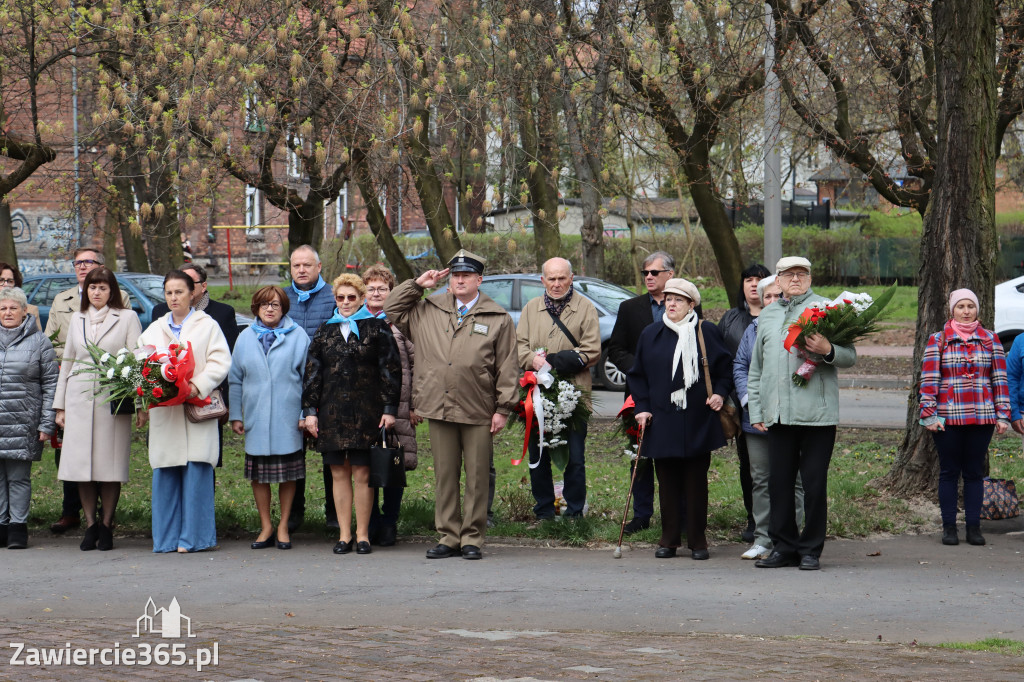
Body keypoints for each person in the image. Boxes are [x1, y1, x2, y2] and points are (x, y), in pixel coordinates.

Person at [384, 249, 518, 560]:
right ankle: (448, 535)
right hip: (438, 404)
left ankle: (472, 537)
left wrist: (503, 409)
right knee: (445, 474)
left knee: (477, 475)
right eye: (455, 275)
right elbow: (390, 309)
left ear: (479, 280)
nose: (460, 279)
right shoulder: (426, 309)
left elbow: (508, 367)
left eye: (466, 275)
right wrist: (418, 285)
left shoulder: (497, 317)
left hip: (478, 407)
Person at [748, 257, 857, 571]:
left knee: (813, 484)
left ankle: (810, 549)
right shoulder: (767, 315)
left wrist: (828, 349)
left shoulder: (828, 309)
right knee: (778, 484)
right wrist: (757, 409)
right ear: (777, 281)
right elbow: (757, 369)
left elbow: (849, 356)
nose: (795, 279)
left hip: (817, 415)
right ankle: (784, 548)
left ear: (810, 278)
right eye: (788, 274)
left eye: (801, 274)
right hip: (778, 415)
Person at [627, 278, 731, 560]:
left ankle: (698, 541)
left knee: (696, 482)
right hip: (662, 420)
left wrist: (720, 394)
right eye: (668, 299)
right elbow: (638, 376)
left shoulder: (705, 331)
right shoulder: (651, 333)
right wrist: (642, 408)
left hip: (699, 419)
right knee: (668, 481)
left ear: (691, 305)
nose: (671, 304)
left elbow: (724, 370)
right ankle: (669, 539)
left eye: (678, 300)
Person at [303, 274, 400, 556]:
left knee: (362, 472)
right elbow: (312, 373)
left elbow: (391, 370)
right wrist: (310, 412)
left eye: (351, 297)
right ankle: (344, 534)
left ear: (361, 298)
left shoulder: (377, 328)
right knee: (338, 473)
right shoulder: (325, 330)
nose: (345, 303)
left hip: (366, 411)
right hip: (332, 411)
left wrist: (389, 409)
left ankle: (362, 534)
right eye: (340, 298)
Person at [138, 270, 231, 553]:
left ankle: (195, 538)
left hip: (195, 408)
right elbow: (141, 361)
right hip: (166, 413)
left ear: (193, 293)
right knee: (166, 472)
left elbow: (220, 361)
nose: (174, 297)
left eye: (179, 292)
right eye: (169, 292)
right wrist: (156, 384)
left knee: (196, 472)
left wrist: (196, 385)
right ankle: (166, 539)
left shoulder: (207, 325)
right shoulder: (154, 329)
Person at [52, 267, 143, 551]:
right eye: (92, 288)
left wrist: (141, 404)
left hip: (112, 398)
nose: (97, 292)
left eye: (103, 288)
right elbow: (67, 361)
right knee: (83, 467)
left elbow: (138, 358)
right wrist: (60, 406)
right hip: (78, 398)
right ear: (86, 290)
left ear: (112, 290)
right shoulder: (77, 318)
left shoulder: (127, 317)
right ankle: (90, 525)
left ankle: (106, 525)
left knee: (109, 466)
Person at [923, 289, 1010, 547]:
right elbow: (929, 381)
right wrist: (929, 414)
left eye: (970, 306)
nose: (966, 311)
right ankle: (949, 527)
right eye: (960, 306)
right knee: (949, 472)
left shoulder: (991, 340)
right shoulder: (938, 340)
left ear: (977, 309)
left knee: (974, 473)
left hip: (982, 417)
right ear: (952, 310)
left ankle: (974, 527)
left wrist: (1003, 414)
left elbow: (1000, 380)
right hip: (947, 418)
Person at [516, 257, 601, 520]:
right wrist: (532, 359)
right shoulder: (531, 308)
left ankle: (574, 512)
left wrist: (553, 361)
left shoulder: (586, 308)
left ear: (571, 278)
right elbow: (519, 347)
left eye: (561, 278)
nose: (556, 284)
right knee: (539, 457)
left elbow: (592, 351)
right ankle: (543, 511)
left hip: (574, 395)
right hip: (537, 396)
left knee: (574, 458)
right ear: (542, 280)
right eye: (551, 279)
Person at [229, 286, 310, 551]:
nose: (270, 309)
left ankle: (284, 525)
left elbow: (309, 380)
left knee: (288, 475)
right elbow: (235, 380)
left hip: (288, 418)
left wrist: (305, 413)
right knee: (259, 476)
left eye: (275, 304)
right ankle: (266, 526)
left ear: (284, 308)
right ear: (256, 308)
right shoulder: (245, 338)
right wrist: (235, 415)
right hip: (256, 417)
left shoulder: (298, 336)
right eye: (264, 304)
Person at [733, 275, 804, 560]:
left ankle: (792, 536)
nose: (773, 301)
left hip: (790, 415)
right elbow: (740, 364)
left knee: (793, 479)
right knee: (760, 478)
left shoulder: (801, 324)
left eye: (778, 296)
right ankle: (762, 538)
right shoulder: (753, 328)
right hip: (757, 416)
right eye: (768, 297)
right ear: (761, 301)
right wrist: (750, 400)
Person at [606, 251, 675, 534]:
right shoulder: (630, 308)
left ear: (670, 274)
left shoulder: (685, 304)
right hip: (638, 394)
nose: (648, 277)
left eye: (654, 272)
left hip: (674, 394)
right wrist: (640, 368)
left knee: (672, 458)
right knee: (640, 455)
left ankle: (675, 515)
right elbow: (616, 349)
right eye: (645, 272)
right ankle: (641, 514)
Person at [363, 264, 419, 547]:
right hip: (363, 408)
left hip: (398, 405)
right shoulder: (354, 320)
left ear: (391, 292)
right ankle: (369, 521)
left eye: (382, 288)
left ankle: (390, 522)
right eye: (370, 288)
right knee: (366, 465)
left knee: (394, 464)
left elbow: (416, 364)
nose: (375, 293)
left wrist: (414, 404)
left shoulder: (401, 322)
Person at [0, 287, 59, 549]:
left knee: (18, 477)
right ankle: (1, 526)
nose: (8, 312)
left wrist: (46, 423)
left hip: (23, 422)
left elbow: (51, 385)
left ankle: (17, 528)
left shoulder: (39, 342)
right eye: (3, 308)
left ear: (25, 311)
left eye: (13, 307)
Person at [283, 245, 337, 532]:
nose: (301, 270)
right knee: (293, 451)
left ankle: (333, 513)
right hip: (290, 387)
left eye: (307, 265)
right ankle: (294, 513)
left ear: (318, 268)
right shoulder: (281, 298)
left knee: (330, 452)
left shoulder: (333, 297)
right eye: (296, 266)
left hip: (328, 386)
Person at [717, 263, 771, 543]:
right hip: (740, 405)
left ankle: (778, 520)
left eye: (759, 280)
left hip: (775, 402)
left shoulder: (778, 316)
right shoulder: (730, 319)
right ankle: (754, 519)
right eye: (748, 279)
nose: (753, 284)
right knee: (749, 465)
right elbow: (721, 360)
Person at [0, 262, 41, 330]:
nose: (6, 284)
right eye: (1, 280)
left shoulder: (31, 310)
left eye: (10, 281)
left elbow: (37, 338)